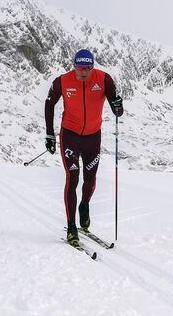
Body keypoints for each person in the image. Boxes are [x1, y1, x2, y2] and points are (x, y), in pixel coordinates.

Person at [44, 49, 123, 245]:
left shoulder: (104, 80)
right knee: (73, 177)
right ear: (74, 65)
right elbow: (49, 103)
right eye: (80, 67)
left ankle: (84, 205)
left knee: (90, 178)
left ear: (92, 67)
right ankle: (71, 227)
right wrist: (49, 134)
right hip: (70, 135)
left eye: (88, 68)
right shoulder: (62, 81)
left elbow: (117, 111)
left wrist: (118, 105)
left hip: (92, 137)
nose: (84, 72)